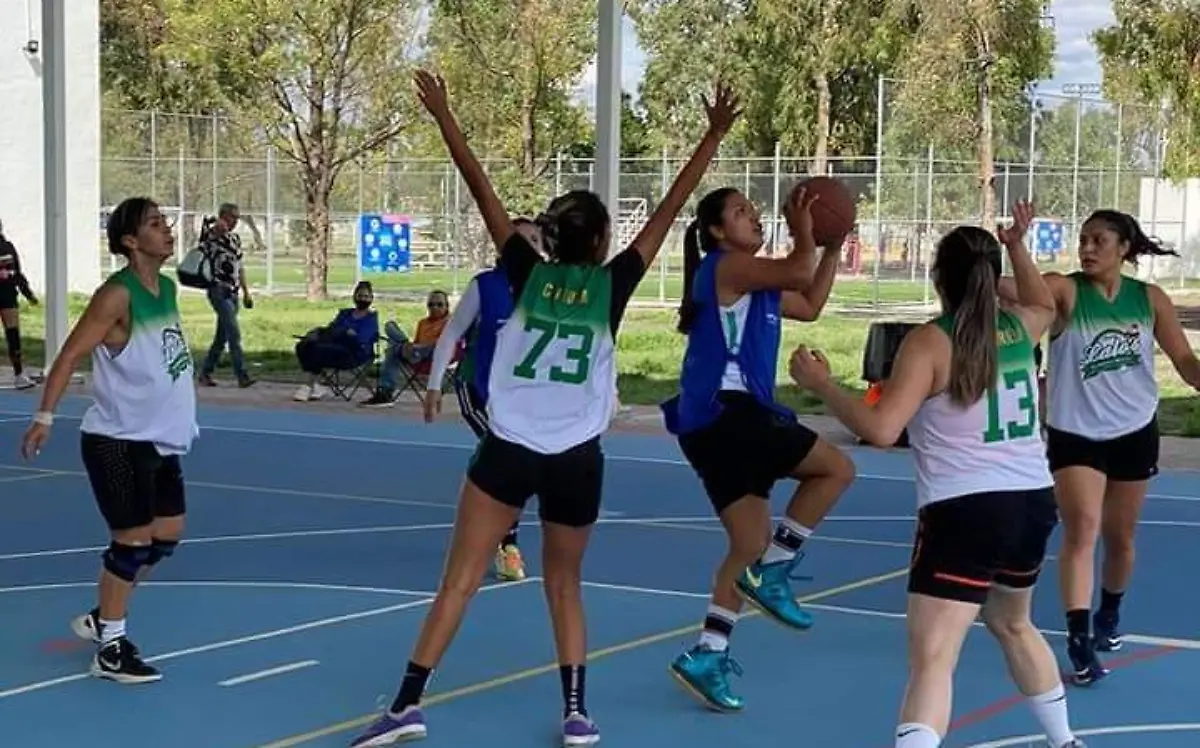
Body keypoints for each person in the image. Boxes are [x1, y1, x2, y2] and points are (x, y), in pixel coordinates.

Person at [350, 70, 740, 748]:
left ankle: (408, 704)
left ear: (550, 240)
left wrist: (445, 115)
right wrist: (710, 136)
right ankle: (577, 714)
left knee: (460, 583)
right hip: (576, 458)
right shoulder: (613, 285)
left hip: (508, 449)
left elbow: (481, 190)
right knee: (564, 584)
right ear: (599, 243)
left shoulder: (522, 272)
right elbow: (670, 211)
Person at [788, 202, 1085, 748]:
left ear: (936, 277)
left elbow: (881, 429)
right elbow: (1043, 299)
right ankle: (1066, 741)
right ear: (993, 280)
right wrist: (1016, 245)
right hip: (1031, 501)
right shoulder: (1021, 325)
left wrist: (823, 386)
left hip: (965, 506)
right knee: (1014, 623)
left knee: (933, 658)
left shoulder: (930, 342)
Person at [660, 183, 855, 712]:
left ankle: (707, 653)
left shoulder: (758, 284)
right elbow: (796, 269)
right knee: (836, 470)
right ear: (718, 231)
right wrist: (806, 232)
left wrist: (832, 245)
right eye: (742, 212)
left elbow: (810, 302)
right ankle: (775, 571)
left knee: (747, 545)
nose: (754, 216)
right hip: (729, 413)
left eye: (754, 209)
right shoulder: (726, 267)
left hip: (709, 427)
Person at [999, 209, 1200, 685]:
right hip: (1075, 433)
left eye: (1098, 241)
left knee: (1120, 540)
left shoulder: (1148, 299)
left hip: (1134, 431)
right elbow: (1015, 290)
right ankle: (1078, 636)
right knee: (1081, 530)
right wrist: (1015, 246)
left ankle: (1109, 612)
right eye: (1083, 241)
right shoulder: (1066, 291)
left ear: (1124, 248)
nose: (1087, 249)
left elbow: (1185, 360)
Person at [20, 197, 198, 684]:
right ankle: (111, 648)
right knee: (132, 542)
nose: (167, 230)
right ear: (129, 241)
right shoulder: (115, 296)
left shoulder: (165, 287)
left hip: (161, 441)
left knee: (166, 538)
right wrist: (44, 415)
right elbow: (70, 354)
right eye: (156, 224)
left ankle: (104, 616)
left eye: (166, 222)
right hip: (118, 441)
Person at [421, 218, 545, 582]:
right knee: (511, 458)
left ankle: (488, 504)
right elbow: (452, 334)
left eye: (536, 239)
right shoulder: (486, 286)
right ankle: (507, 545)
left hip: (520, 397)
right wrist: (433, 386)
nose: (531, 246)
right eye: (523, 240)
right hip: (478, 388)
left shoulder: (545, 288)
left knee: (514, 464)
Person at [197, 203, 255, 388]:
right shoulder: (212, 236)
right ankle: (242, 374)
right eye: (231, 217)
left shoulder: (235, 239)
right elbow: (205, 240)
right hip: (218, 290)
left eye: (237, 218)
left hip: (233, 292)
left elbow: (240, 267)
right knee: (233, 333)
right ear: (223, 216)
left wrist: (246, 292)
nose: (234, 222)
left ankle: (206, 371)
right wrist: (214, 226)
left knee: (222, 336)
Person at [292, 281, 381, 402]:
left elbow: (362, 339)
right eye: (360, 296)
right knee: (304, 346)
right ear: (354, 297)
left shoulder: (370, 319)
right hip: (334, 346)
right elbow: (332, 328)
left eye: (366, 296)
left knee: (320, 350)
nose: (362, 299)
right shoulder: (345, 314)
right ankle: (315, 385)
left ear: (371, 298)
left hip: (355, 354)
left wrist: (346, 333)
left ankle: (309, 385)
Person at [361, 289, 451, 406]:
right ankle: (385, 391)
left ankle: (385, 393)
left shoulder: (451, 323)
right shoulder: (423, 323)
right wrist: (411, 346)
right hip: (415, 353)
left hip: (435, 355)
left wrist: (417, 347)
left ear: (447, 306)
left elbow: (445, 343)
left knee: (393, 349)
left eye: (439, 304)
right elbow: (417, 342)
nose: (435, 308)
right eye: (431, 304)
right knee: (390, 326)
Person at [0, 220, 39, 389]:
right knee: (13, 334)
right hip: (7, 295)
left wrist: (27, 293)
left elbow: (17, 272)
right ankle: (19, 374)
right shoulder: (7, 247)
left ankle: (19, 374)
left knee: (13, 335)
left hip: (7, 296)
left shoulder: (7, 246)